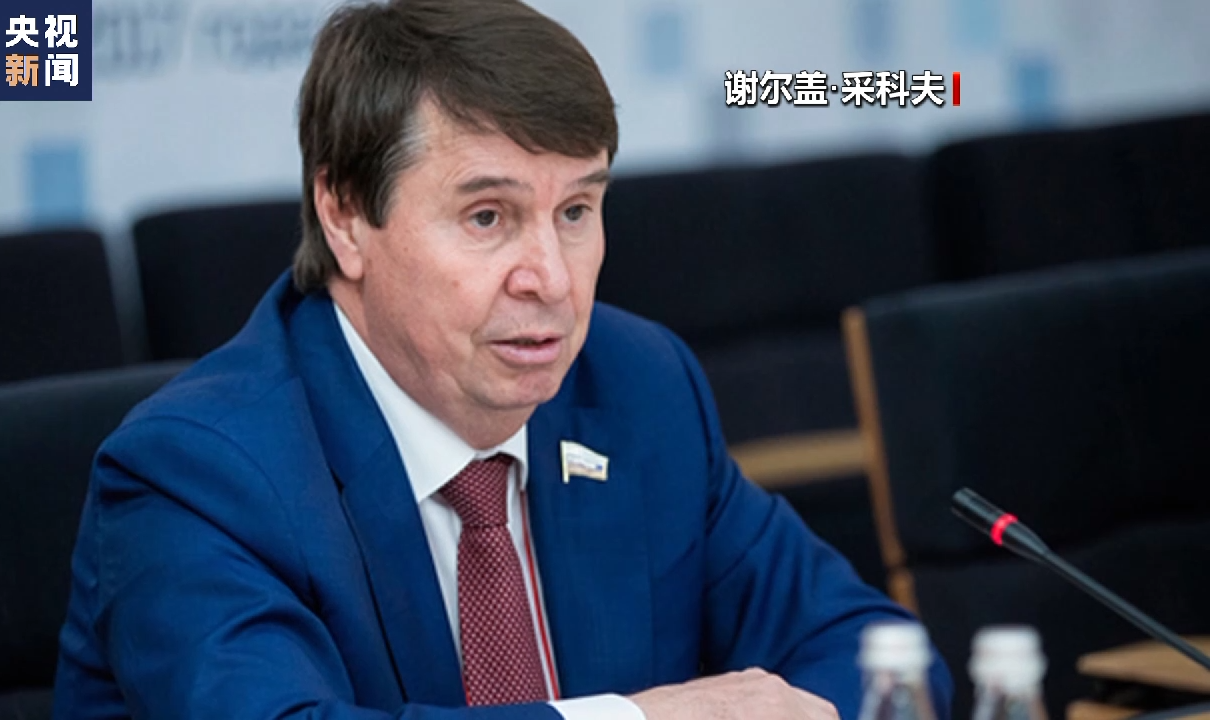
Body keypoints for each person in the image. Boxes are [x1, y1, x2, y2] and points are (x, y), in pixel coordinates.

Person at [52, 0, 952, 718]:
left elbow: (882, 657)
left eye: (576, 211)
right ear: (345, 217)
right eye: (488, 217)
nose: (551, 280)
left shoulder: (637, 388)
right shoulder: (200, 474)